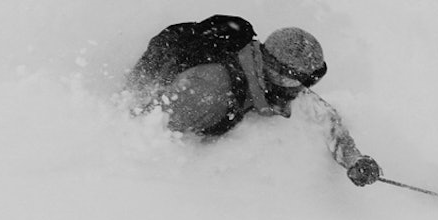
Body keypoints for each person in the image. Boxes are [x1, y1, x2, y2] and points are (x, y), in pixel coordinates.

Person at [125, 14, 383, 187]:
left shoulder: (276, 85)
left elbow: (327, 120)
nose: (302, 89)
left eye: (309, 81)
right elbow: (145, 134)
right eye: (298, 80)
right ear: (272, 67)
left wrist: (355, 160)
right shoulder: (209, 87)